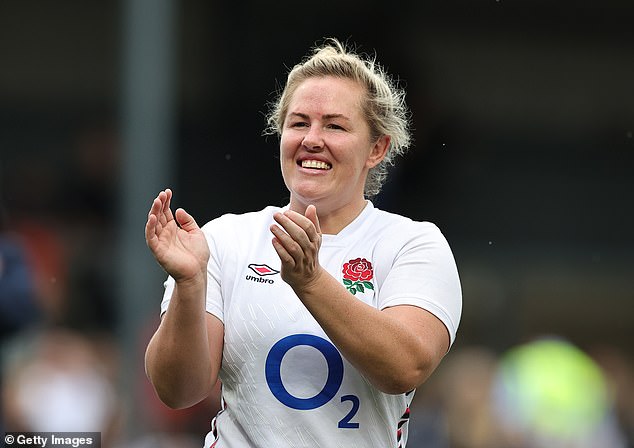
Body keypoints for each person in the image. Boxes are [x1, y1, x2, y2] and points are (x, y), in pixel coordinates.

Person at [144, 38, 462, 448]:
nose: (312, 139)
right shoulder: (223, 239)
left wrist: (310, 281)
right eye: (298, 123)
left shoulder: (413, 244)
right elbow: (178, 391)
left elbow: (404, 366)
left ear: (377, 148)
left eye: (335, 125)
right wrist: (189, 285)